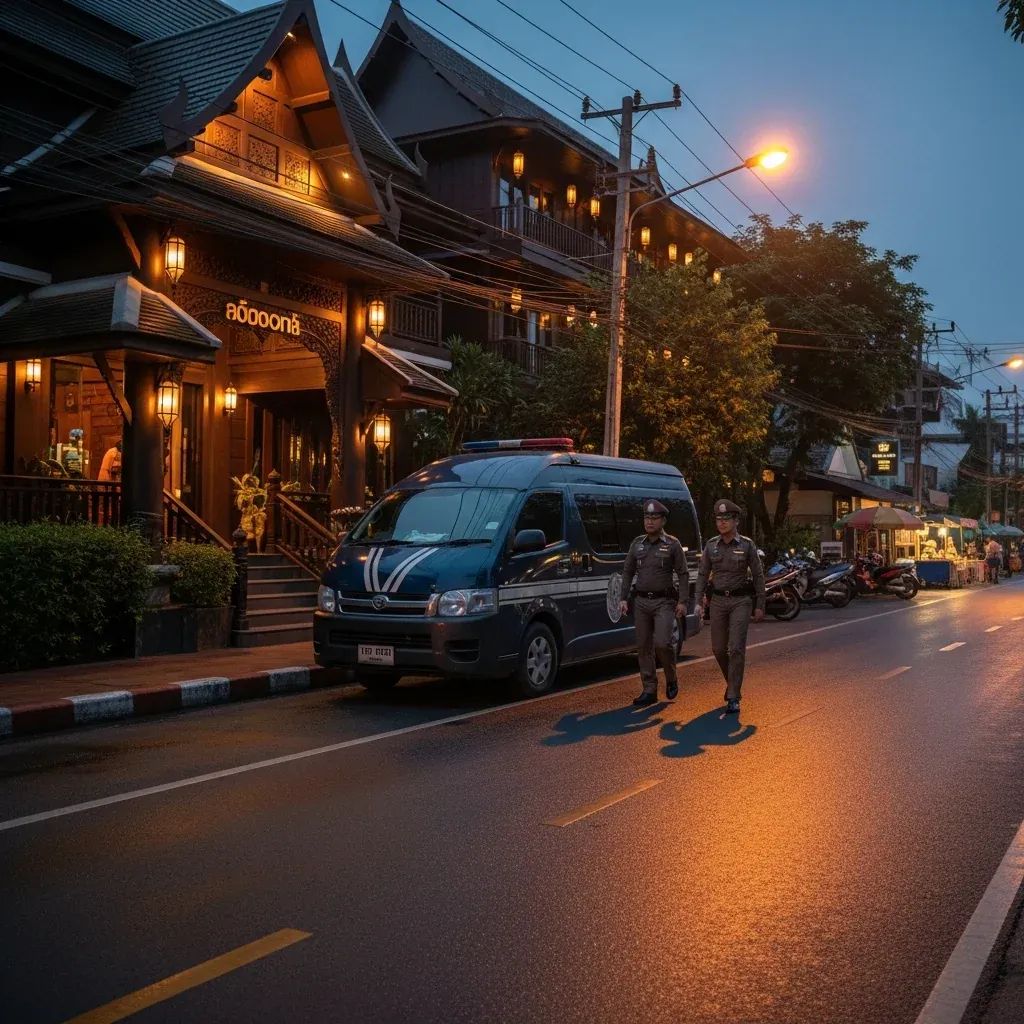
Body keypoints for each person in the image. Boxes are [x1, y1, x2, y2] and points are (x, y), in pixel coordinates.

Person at [693, 499, 766, 714]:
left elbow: (759, 576)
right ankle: (733, 683)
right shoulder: (711, 545)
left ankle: (733, 694)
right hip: (718, 602)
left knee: (736, 648)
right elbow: (702, 574)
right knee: (717, 648)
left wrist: (760, 604)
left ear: (736, 521)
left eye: (726, 519)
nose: (722, 523)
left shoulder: (746, 545)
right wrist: (698, 601)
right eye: (719, 519)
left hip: (740, 601)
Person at [619, 499, 689, 707]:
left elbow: (683, 574)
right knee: (643, 646)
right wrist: (623, 598)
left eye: (654, 518)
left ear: (663, 520)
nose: (649, 522)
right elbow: (628, 571)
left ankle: (671, 677)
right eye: (646, 517)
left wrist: (683, 601)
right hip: (641, 601)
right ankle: (649, 689)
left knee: (663, 643)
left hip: (664, 602)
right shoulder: (637, 544)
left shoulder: (672, 545)